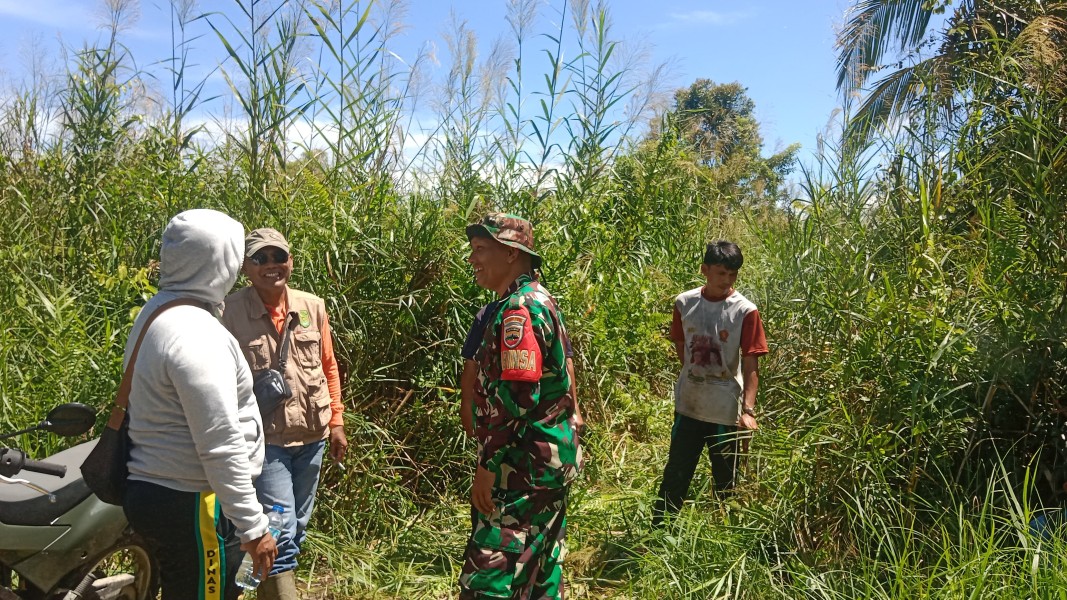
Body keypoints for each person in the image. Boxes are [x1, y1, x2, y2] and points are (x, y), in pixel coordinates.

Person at [122, 209, 276, 600]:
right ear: (219, 260)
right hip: (194, 502)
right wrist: (253, 526)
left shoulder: (157, 312)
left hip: (159, 488)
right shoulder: (196, 334)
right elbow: (219, 442)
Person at [460, 213, 583, 599]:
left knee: (490, 574)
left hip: (521, 468)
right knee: (541, 566)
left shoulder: (519, 309)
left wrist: (487, 465)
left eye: (481, 249)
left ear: (512, 253)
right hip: (548, 462)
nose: (472, 259)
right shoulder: (539, 299)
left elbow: (517, 398)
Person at [221, 228, 348, 600]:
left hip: (313, 437)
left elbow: (328, 367)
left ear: (290, 261)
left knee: (296, 527)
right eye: (260, 258)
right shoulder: (228, 312)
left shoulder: (312, 306)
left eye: (278, 256)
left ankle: (243, 587)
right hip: (266, 442)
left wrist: (337, 421)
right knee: (278, 529)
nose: (271, 265)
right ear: (246, 266)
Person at [652, 240, 768, 526]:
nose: (726, 280)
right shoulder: (685, 303)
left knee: (726, 479)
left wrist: (748, 411)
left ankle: (725, 535)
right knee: (676, 472)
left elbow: (751, 361)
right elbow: (682, 346)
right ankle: (659, 532)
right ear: (705, 270)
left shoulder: (745, 311)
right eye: (720, 273)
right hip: (689, 404)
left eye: (732, 275)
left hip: (725, 410)